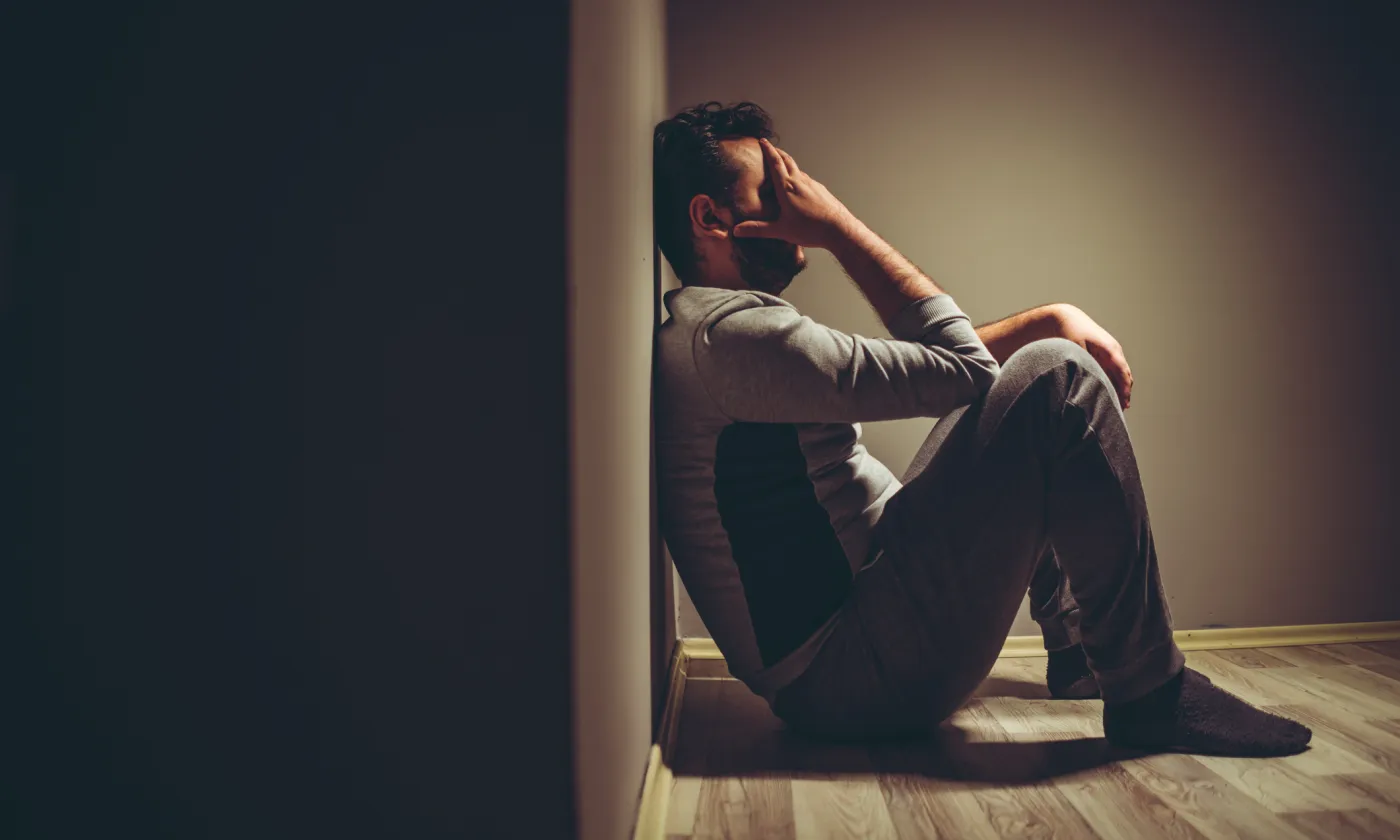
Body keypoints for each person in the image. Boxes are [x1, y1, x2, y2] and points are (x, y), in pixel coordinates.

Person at [652, 101, 1312, 758]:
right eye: (775, 188)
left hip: (868, 619)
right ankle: (1150, 694)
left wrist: (1047, 317)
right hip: (847, 678)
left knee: (1027, 391)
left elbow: (935, 374)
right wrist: (839, 227)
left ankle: (1080, 653)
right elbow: (963, 368)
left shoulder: (725, 332)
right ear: (710, 218)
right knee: (1056, 379)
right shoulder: (733, 338)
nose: (802, 197)